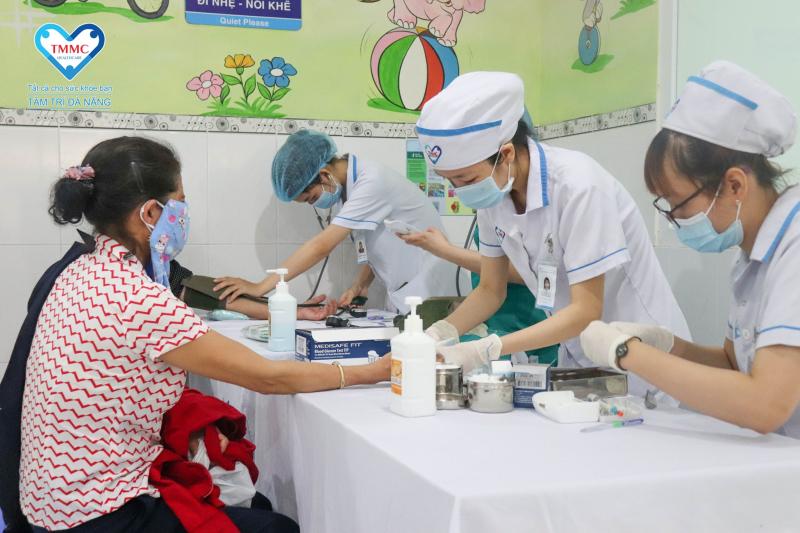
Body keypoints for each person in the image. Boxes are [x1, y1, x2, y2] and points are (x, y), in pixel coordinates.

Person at [8, 136, 389, 532]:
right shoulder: (138, 296)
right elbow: (269, 377)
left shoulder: (79, 270)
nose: (184, 213)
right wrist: (372, 371)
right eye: (181, 202)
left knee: (253, 501)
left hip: (49, 500)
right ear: (150, 213)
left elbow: (186, 300)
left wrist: (295, 310)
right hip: (95, 513)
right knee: (277, 527)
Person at [416, 71, 690, 404]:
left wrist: (487, 349)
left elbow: (586, 310)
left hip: (643, 363)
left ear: (506, 155)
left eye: (466, 178)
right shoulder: (494, 198)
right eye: (450, 181)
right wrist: (437, 334)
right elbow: (490, 290)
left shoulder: (579, 187)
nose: (460, 191)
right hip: (582, 360)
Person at [579, 61, 800, 437]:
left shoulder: (794, 245)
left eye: (678, 202)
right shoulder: (751, 255)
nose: (675, 218)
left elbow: (765, 404)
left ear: (734, 185)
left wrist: (627, 353)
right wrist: (670, 346)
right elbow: (733, 364)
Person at [213, 130, 457, 313]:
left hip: (431, 290)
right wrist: (359, 286)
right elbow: (377, 244)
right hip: (405, 293)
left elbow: (321, 246)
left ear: (324, 175)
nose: (314, 205)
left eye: (311, 198)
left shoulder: (372, 182)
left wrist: (260, 287)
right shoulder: (347, 192)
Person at [399, 225, 559, 365]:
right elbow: (489, 290)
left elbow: (533, 273)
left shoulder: (548, 211)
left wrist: (445, 250)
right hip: (496, 323)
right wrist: (438, 333)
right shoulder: (489, 212)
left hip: (531, 326)